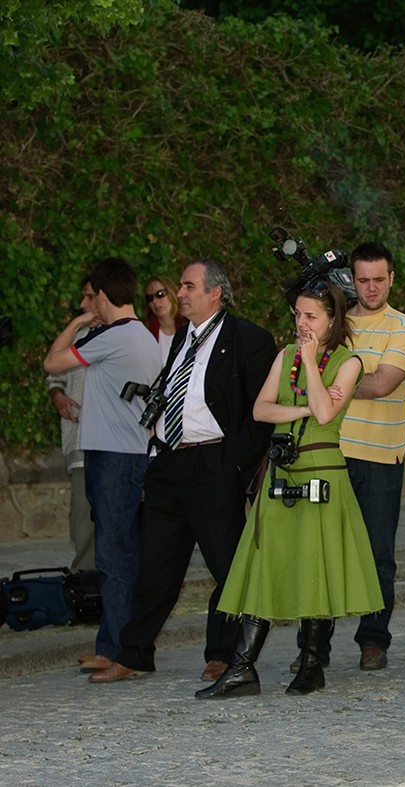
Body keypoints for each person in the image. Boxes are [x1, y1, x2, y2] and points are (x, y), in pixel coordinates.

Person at [89, 259, 276, 685]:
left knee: (226, 565)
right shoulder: (180, 340)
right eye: (181, 286)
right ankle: (135, 652)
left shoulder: (248, 339)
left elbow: (260, 414)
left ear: (215, 293)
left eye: (189, 286)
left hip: (213, 464)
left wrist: (231, 463)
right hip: (170, 464)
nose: (181, 293)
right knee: (156, 567)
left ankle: (224, 653)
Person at [199, 281, 381, 698]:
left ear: (333, 319)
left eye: (311, 316)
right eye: (298, 315)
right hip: (283, 471)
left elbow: (325, 411)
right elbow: (261, 409)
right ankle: (243, 667)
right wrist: (300, 405)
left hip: (322, 469)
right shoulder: (285, 356)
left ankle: (312, 665)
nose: (302, 323)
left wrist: (314, 363)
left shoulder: (348, 362)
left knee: (315, 566)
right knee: (264, 563)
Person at [288, 242, 405, 673]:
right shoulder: (332, 323)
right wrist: (335, 377)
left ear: (392, 279)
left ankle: (373, 641)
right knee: (319, 552)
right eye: (362, 279)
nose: (370, 287)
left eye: (378, 279)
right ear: (352, 279)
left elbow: (384, 383)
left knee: (378, 555)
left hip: (381, 458)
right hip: (328, 453)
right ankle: (313, 647)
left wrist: (335, 380)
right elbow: (303, 376)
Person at [43, 258, 161, 673]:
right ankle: (116, 645)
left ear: (104, 297)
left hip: (114, 456)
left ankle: (118, 650)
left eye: (93, 297)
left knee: (114, 556)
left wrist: (78, 321)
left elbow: (52, 363)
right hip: (123, 453)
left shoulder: (115, 337)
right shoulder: (143, 336)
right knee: (120, 553)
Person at [46, 276, 100, 574]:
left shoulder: (124, 336)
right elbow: (52, 374)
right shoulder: (76, 337)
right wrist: (58, 396)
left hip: (111, 444)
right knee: (81, 514)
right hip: (79, 443)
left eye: (89, 297)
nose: (83, 305)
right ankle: (83, 580)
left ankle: (94, 582)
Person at [143, 274, 188, 367]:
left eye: (160, 294)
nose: (155, 301)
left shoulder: (190, 326)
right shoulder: (145, 333)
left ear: (172, 293)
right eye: (150, 298)